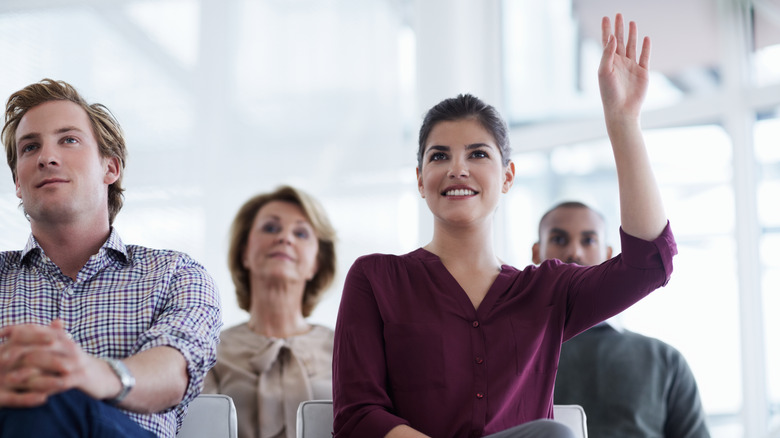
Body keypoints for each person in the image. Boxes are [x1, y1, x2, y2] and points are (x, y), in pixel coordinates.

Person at [332, 13, 677, 438]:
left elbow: (649, 263)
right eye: (439, 156)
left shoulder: (548, 292)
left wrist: (624, 122)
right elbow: (357, 415)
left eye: (477, 154)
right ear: (421, 180)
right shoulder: (375, 278)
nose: (457, 169)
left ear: (508, 176)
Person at [0, 79, 222, 438]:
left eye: (69, 140)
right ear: (17, 183)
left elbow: (173, 373)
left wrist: (88, 373)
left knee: (48, 397)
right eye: (29, 147)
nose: (46, 157)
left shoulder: (175, 274)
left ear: (111, 168)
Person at [533, 201, 710, 438]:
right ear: (536, 252)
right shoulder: (514, 353)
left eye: (589, 240)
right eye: (559, 239)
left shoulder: (665, 360)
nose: (574, 252)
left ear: (608, 255)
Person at [203, 185, 337, 438]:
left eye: (301, 233)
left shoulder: (346, 349)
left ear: (316, 264)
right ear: (244, 253)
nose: (285, 238)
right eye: (271, 228)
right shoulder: (210, 349)